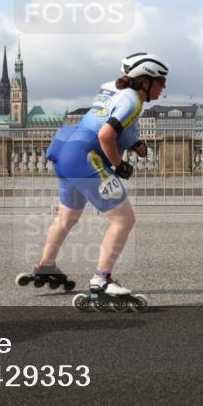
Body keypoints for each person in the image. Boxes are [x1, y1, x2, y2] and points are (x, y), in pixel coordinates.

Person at [32, 52, 168, 303]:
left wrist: (133, 142)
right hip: (84, 156)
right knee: (123, 220)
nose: (164, 87)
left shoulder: (111, 88)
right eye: (161, 81)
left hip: (64, 147)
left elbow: (105, 122)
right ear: (145, 81)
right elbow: (106, 135)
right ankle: (101, 280)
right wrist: (119, 165)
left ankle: (46, 265)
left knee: (66, 218)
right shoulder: (133, 102)